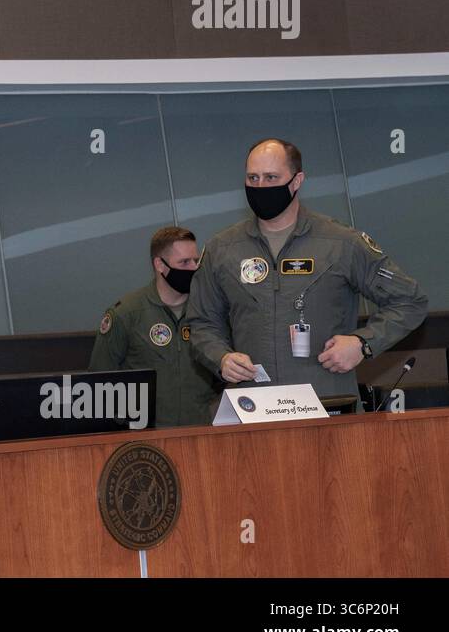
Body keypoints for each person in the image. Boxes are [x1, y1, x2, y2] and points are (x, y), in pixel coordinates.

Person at [187, 138, 426, 402]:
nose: (260, 186)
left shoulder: (341, 243)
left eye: (271, 177)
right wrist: (221, 357)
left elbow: (410, 300)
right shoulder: (223, 249)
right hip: (254, 407)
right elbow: (201, 322)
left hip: (327, 404)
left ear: (297, 181)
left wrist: (364, 343)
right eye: (253, 178)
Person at [90, 226, 220, 426]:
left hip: (200, 434)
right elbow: (99, 384)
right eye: (184, 262)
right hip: (146, 441)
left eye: (196, 260)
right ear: (160, 265)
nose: (193, 268)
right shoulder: (127, 314)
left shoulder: (209, 311)